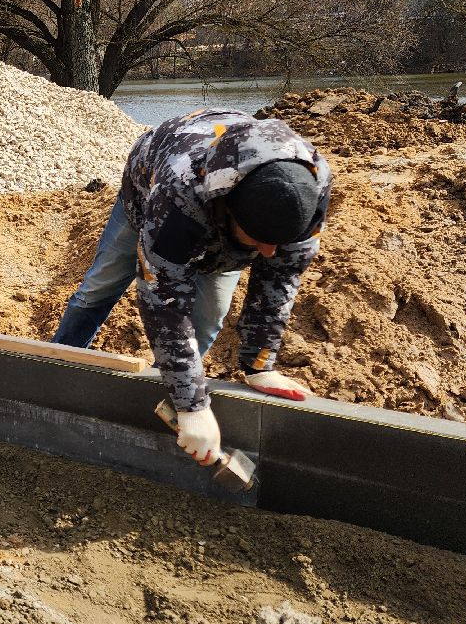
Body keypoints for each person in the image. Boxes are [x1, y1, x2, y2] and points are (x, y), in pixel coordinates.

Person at [51, 109, 332, 466]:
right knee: (99, 287)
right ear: (229, 211)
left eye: (279, 241)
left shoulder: (310, 187)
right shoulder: (178, 194)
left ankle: (163, 396)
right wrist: (193, 404)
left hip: (219, 196)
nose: (267, 253)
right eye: (258, 240)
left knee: (212, 310)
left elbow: (280, 279)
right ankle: (57, 362)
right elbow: (164, 297)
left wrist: (260, 365)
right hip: (148, 183)